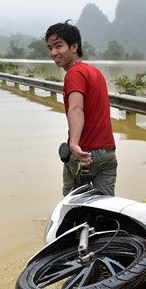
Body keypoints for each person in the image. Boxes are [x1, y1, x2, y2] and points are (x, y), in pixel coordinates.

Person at [45, 21, 117, 196]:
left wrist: (74, 144)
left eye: (58, 46)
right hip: (108, 153)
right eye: (49, 48)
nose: (53, 53)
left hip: (85, 152)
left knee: (70, 204)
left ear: (74, 46)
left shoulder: (74, 74)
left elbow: (76, 108)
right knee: (105, 207)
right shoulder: (95, 72)